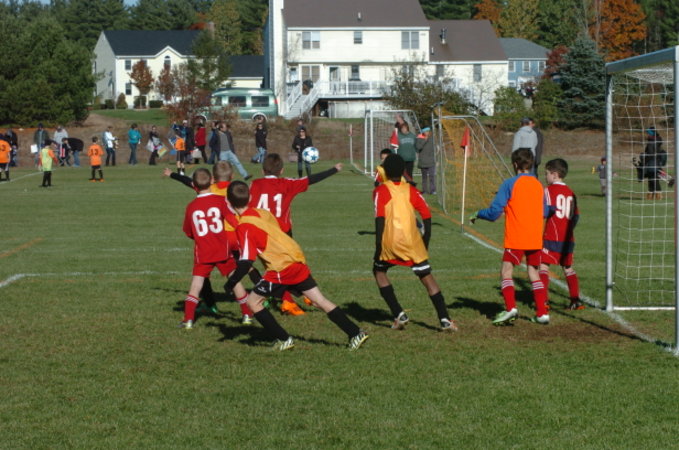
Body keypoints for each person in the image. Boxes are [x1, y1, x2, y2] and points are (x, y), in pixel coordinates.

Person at [224, 181, 369, 351]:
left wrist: (231, 282)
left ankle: (284, 339)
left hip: (281, 268)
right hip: (295, 259)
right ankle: (355, 332)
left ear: (228, 202)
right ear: (250, 198)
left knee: (253, 302)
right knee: (319, 301)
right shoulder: (262, 213)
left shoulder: (244, 226)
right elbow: (280, 230)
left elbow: (246, 261)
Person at [372, 154, 457, 332]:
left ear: (385, 171)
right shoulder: (412, 190)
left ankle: (398, 314)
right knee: (426, 277)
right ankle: (445, 319)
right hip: (412, 242)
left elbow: (380, 219)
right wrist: (425, 241)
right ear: (403, 171)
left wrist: (378, 246)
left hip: (391, 242)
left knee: (379, 271)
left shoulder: (381, 191)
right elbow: (426, 215)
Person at [470, 148, 549, 325]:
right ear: (531, 164)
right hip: (535, 237)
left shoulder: (509, 184)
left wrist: (478, 213)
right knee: (534, 272)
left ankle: (510, 308)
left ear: (514, 164)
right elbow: (544, 212)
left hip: (517, 237)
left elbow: (494, 213)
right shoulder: (538, 185)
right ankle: (542, 313)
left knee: (506, 271)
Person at [179, 168, 252, 329]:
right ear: (212, 180)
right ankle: (247, 315)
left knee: (196, 285)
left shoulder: (191, 207)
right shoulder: (220, 200)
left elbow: (188, 232)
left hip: (203, 252)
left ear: (194, 185)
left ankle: (188, 320)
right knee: (235, 281)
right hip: (222, 250)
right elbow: (233, 220)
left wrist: (200, 237)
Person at [539, 158, 584, 311]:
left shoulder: (548, 191)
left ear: (554, 174)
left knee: (543, 266)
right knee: (568, 268)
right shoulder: (571, 193)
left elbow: (545, 212)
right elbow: (576, 216)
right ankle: (575, 300)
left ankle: (543, 301)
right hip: (568, 239)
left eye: (546, 173)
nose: (545, 176)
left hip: (552, 237)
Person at [634, 127, 668, 200]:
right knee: (653, 178)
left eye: (649, 133)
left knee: (653, 179)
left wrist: (643, 159)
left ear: (652, 134)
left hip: (651, 163)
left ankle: (657, 195)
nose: (648, 135)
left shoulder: (651, 142)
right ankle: (652, 195)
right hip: (657, 162)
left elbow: (650, 154)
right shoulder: (657, 141)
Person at [416, 127, 436, 195]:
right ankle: (424, 190)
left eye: (428, 131)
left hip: (431, 161)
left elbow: (435, 149)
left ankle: (433, 190)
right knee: (424, 177)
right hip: (423, 162)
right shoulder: (419, 139)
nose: (427, 132)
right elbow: (418, 147)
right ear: (423, 132)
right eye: (426, 131)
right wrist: (424, 140)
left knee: (432, 177)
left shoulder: (432, 139)